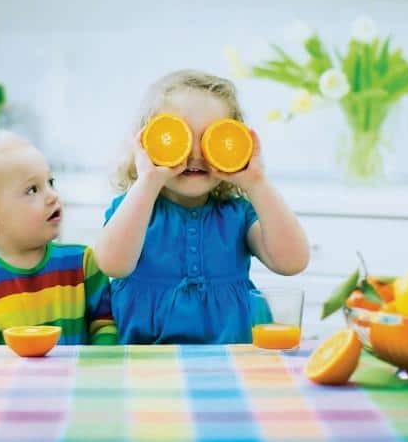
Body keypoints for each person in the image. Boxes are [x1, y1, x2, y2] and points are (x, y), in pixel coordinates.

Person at [94, 70, 309, 344]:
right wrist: (148, 180)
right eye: (178, 135)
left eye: (212, 137)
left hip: (235, 358)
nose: (195, 152)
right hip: (147, 363)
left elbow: (293, 262)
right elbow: (112, 264)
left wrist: (257, 183)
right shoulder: (135, 209)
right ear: (147, 141)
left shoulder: (238, 214)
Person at [0, 130, 117, 345]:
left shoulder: (84, 263)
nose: (53, 196)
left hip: (79, 378)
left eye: (50, 182)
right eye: (32, 190)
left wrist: (95, 368)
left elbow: (105, 325)